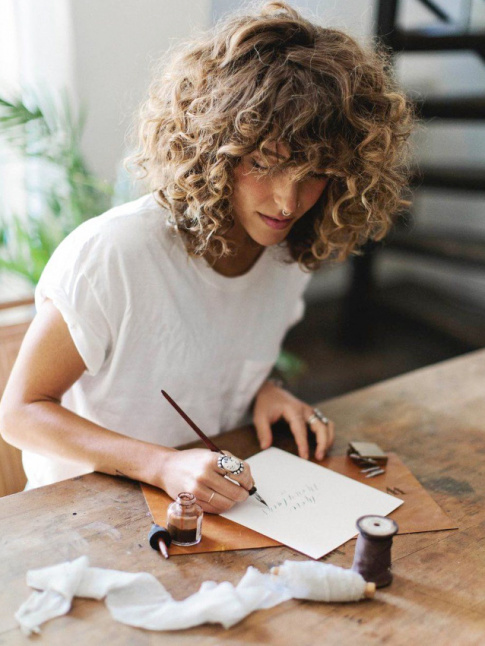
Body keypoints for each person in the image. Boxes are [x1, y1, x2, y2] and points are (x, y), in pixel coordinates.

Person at [0, 1, 412, 512]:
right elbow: (19, 412)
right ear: (213, 150)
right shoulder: (113, 254)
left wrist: (266, 389)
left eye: (314, 172)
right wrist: (163, 464)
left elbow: (211, 352)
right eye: (263, 162)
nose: (287, 202)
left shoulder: (285, 252)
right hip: (88, 511)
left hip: (215, 504)